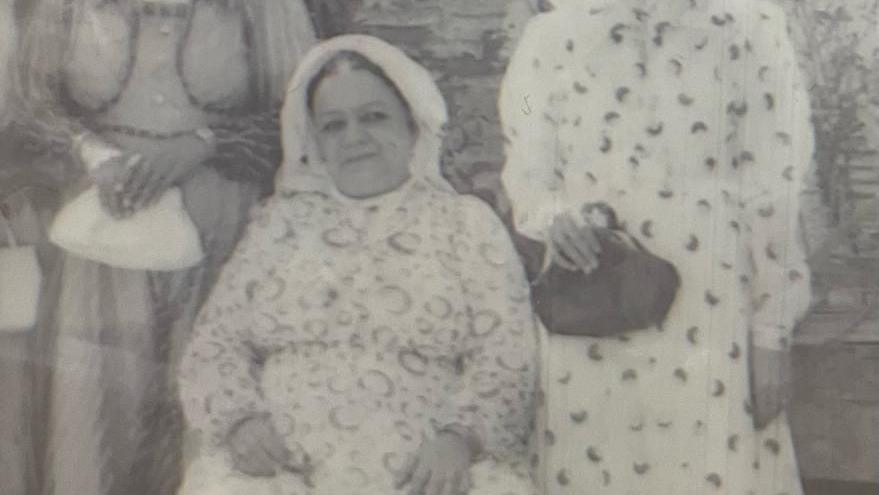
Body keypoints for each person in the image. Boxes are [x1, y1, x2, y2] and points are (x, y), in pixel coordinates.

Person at [178, 35, 540, 495]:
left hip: (423, 470)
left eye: (374, 117)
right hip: (284, 471)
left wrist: (459, 439)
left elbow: (507, 355)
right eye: (333, 125)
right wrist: (240, 422)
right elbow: (215, 344)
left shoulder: (465, 223)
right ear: (314, 141)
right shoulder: (279, 224)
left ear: (413, 124)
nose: (354, 138)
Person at [500, 0, 813, 493]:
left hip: (711, 312)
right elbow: (525, 161)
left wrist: (771, 332)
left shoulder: (751, 27)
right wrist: (552, 216)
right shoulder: (550, 36)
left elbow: (776, 189)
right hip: (596, 299)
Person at [14, 1, 315, 494]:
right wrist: (93, 154)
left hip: (222, 227)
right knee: (95, 415)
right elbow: (28, 105)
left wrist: (205, 142)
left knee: (207, 407)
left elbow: (304, 103)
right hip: (101, 232)